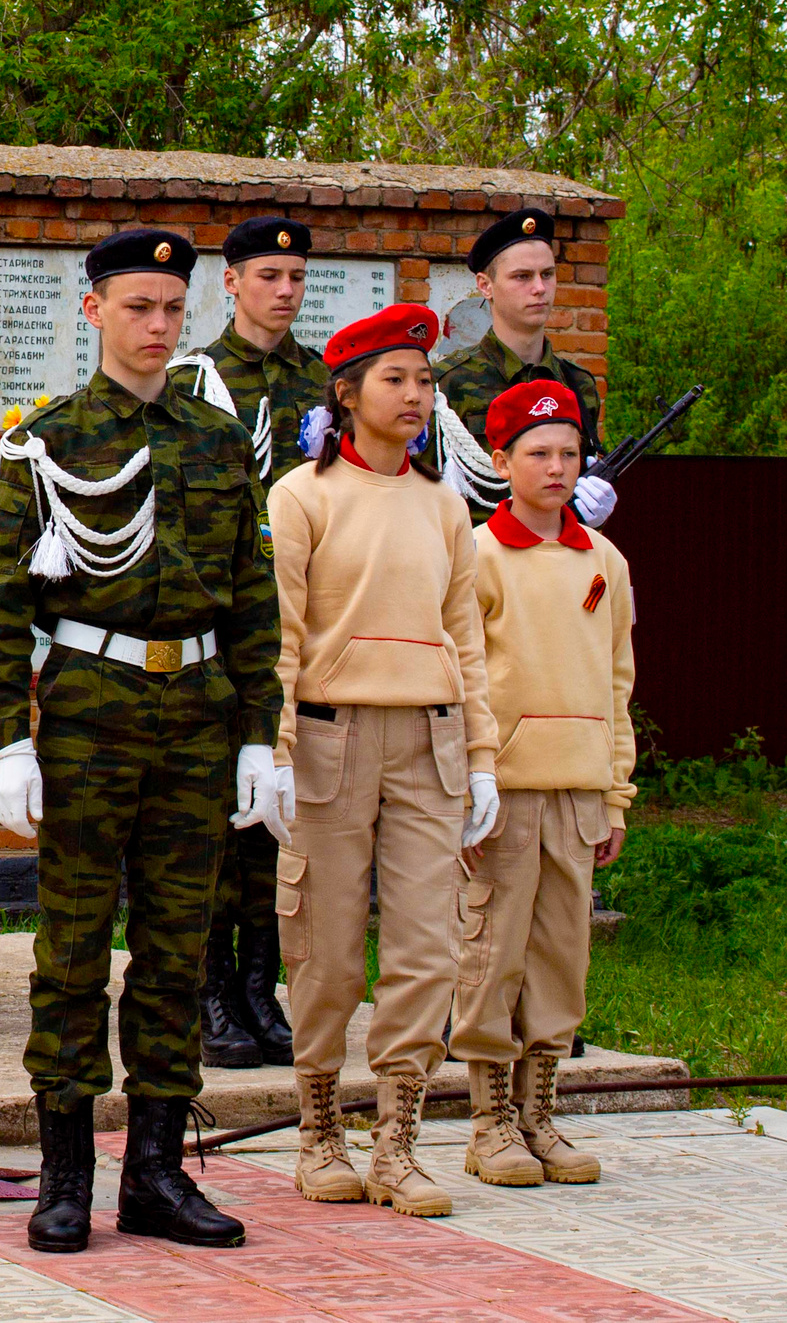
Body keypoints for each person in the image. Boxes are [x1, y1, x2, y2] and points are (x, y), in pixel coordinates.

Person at [0, 226, 283, 1255]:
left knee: (174, 949)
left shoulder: (216, 440)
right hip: (90, 713)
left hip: (195, 711)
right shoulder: (47, 440)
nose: (156, 326)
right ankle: (65, 1176)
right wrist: (10, 740)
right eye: (136, 307)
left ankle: (153, 1172)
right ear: (94, 311)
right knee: (69, 949)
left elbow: (250, 598)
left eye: (169, 309)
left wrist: (255, 735)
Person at [249, 302, 501, 1216]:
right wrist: (273, 750)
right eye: (396, 379)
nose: (415, 395)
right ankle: (319, 1130)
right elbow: (280, 632)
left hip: (429, 737)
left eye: (426, 381)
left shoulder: (445, 503)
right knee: (321, 948)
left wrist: (481, 755)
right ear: (347, 392)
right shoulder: (300, 496)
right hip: (330, 738)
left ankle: (398, 1142)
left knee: (428, 944)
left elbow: (466, 637)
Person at [452, 380, 636, 1188]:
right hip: (506, 790)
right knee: (494, 952)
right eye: (538, 453)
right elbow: (461, 681)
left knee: (563, 956)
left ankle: (541, 1113)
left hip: (580, 786)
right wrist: (471, 784)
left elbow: (618, 680)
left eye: (569, 453)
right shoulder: (478, 557)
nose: (557, 467)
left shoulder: (606, 561)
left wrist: (617, 791)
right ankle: (488, 1119)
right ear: (501, 461)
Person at [172, 215, 326, 1071]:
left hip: (298, 620)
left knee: (276, 815)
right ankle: (209, 990)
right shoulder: (199, 378)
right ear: (230, 282)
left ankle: (260, 988)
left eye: (296, 278)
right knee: (216, 815)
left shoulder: (324, 379)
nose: (284, 291)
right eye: (268, 275)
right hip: (221, 619)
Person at [433, 207, 615, 528]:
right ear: (485, 285)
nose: (540, 288)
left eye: (547, 274)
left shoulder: (576, 384)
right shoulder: (447, 384)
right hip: (478, 564)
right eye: (522, 277)